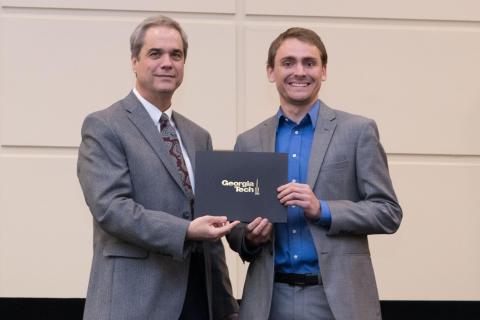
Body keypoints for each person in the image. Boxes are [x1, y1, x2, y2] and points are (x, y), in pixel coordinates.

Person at [227, 27, 402, 320]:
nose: (299, 71)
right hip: (269, 302)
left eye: (309, 62)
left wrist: (323, 209)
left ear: (324, 71)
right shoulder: (249, 141)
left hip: (338, 301)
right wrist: (250, 237)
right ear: (271, 72)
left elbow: (388, 212)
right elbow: (234, 228)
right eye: (288, 62)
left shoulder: (357, 132)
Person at [77, 15, 239, 320]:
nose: (167, 62)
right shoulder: (104, 126)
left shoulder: (198, 136)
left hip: (197, 301)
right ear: (135, 61)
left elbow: (210, 225)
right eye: (156, 54)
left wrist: (225, 305)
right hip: (134, 303)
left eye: (176, 55)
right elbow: (112, 209)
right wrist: (186, 230)